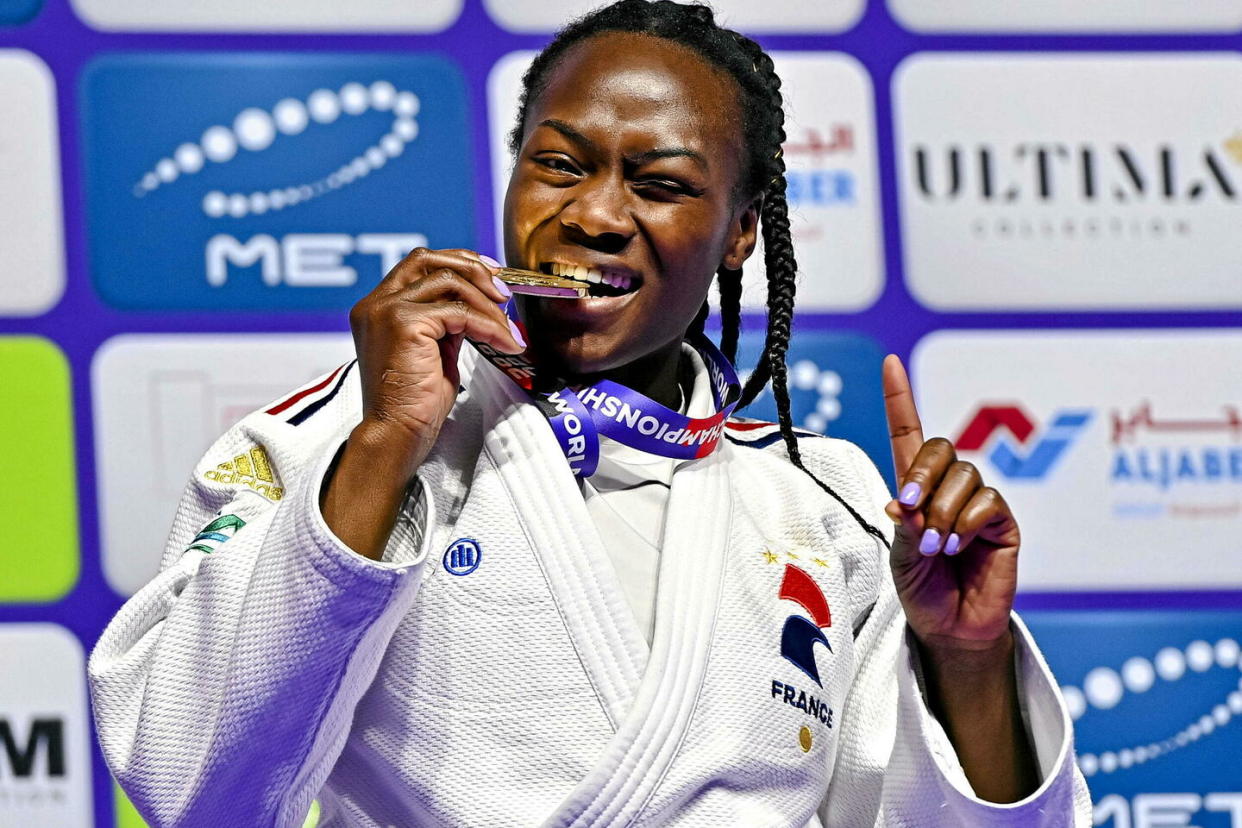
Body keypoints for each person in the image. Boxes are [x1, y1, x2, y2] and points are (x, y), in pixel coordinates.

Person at [89, 2, 1091, 825]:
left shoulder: (825, 502)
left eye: (659, 185)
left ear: (742, 232)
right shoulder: (327, 446)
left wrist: (966, 657)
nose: (597, 215)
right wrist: (385, 444)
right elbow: (193, 785)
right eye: (560, 165)